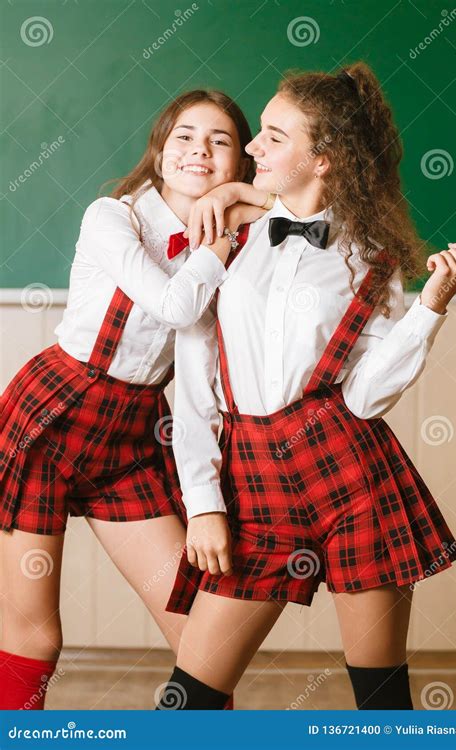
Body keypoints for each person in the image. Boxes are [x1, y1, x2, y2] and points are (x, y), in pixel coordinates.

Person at [158, 63, 456, 710]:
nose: (249, 148)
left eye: (273, 137)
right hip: (251, 477)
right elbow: (193, 378)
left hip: (350, 472)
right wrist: (203, 502)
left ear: (323, 160)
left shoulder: (373, 257)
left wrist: (430, 307)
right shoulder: (228, 230)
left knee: (381, 703)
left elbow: (362, 400)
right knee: (189, 700)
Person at [0, 88, 267, 710]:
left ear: (241, 165)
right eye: (184, 136)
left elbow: (317, 201)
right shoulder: (112, 217)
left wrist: (229, 202)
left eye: (220, 141)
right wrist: (217, 244)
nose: (198, 150)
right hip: (55, 412)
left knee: (201, 634)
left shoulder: (242, 235)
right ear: (160, 150)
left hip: (138, 433)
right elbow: (175, 303)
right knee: (36, 630)